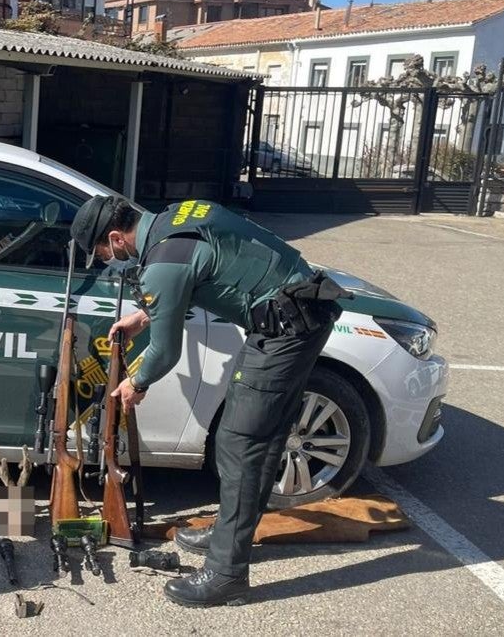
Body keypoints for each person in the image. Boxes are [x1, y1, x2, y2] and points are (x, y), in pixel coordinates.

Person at [70, 196, 349, 607]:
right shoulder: (178, 215)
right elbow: (205, 269)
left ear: (116, 237)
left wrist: (136, 383)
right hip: (302, 310)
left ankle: (226, 576)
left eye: (102, 253)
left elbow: (164, 353)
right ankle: (229, 535)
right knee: (262, 437)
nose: (107, 261)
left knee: (238, 444)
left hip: (283, 331)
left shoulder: (160, 265)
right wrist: (142, 317)